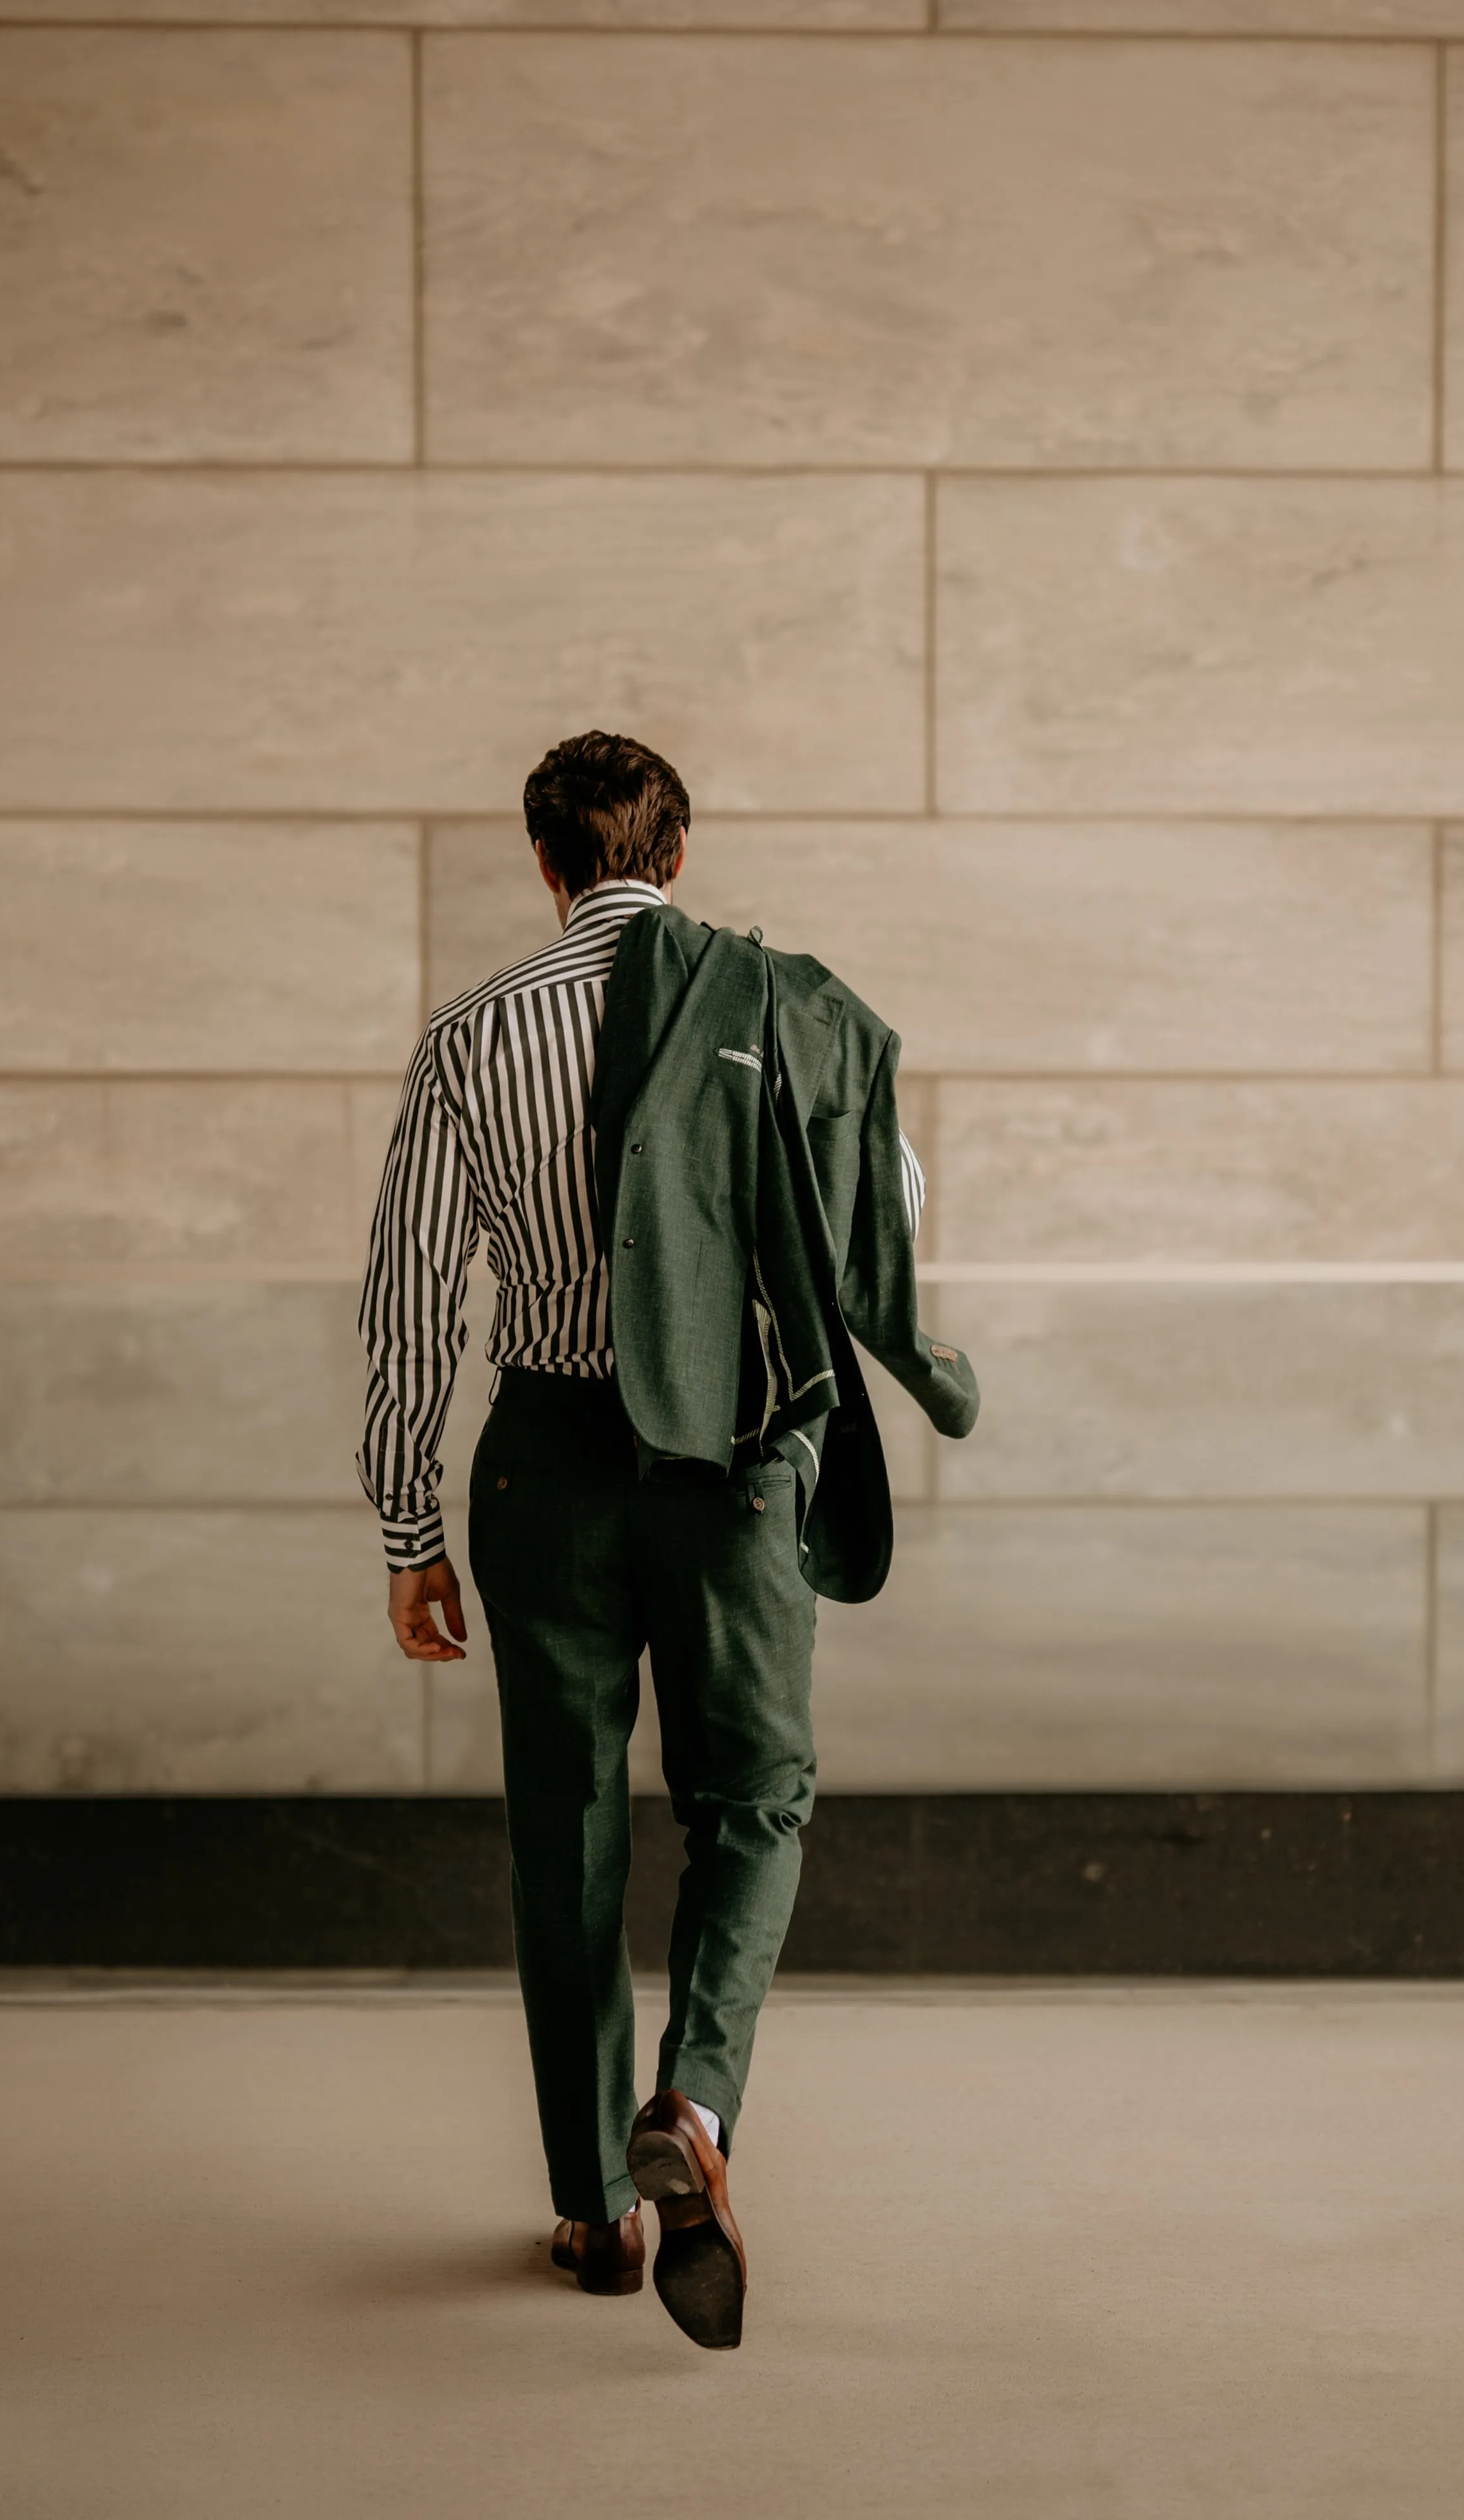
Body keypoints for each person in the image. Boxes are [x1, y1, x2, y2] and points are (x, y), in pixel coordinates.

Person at [358, 731, 977, 2350]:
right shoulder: (774, 1008)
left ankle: (595, 2207)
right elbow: (884, 1215)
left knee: (565, 1837)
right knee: (753, 1801)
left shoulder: (470, 1038)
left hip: (545, 1470)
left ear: (547, 864)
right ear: (675, 856)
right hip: (730, 1471)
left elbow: (412, 1300)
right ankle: (696, 2109)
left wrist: (409, 1526)